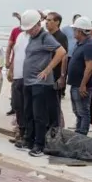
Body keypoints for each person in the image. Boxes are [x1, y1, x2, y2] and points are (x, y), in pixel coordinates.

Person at [19, 9, 67, 157]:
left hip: (40, 83)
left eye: (30, 29)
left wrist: (48, 69)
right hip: (29, 81)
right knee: (29, 112)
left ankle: (39, 145)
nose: (29, 32)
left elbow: (61, 52)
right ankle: (29, 139)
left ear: (37, 25)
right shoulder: (32, 37)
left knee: (39, 115)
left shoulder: (45, 37)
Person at [66, 17, 92, 135]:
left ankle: (81, 135)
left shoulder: (89, 45)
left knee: (83, 112)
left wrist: (83, 85)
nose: (73, 32)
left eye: (75, 30)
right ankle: (78, 133)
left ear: (80, 31)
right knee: (77, 111)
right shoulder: (80, 44)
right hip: (75, 84)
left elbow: (89, 67)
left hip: (82, 86)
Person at [45, 12, 69, 125]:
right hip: (45, 76)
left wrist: (62, 76)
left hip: (55, 75)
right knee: (46, 105)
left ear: (57, 22)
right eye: (46, 20)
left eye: (50, 20)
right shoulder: (47, 36)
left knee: (54, 105)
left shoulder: (61, 37)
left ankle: (57, 129)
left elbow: (64, 57)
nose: (47, 22)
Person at [7, 27, 29, 146]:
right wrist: (11, 70)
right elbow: (16, 55)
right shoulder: (20, 36)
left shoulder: (37, 37)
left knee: (27, 108)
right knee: (17, 106)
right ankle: (21, 133)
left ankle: (27, 136)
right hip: (17, 77)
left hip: (27, 78)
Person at [5, 12, 22, 116]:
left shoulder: (31, 32)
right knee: (14, 86)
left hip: (26, 65)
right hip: (14, 63)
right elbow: (9, 47)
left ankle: (20, 108)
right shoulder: (15, 31)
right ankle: (13, 107)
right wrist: (7, 61)